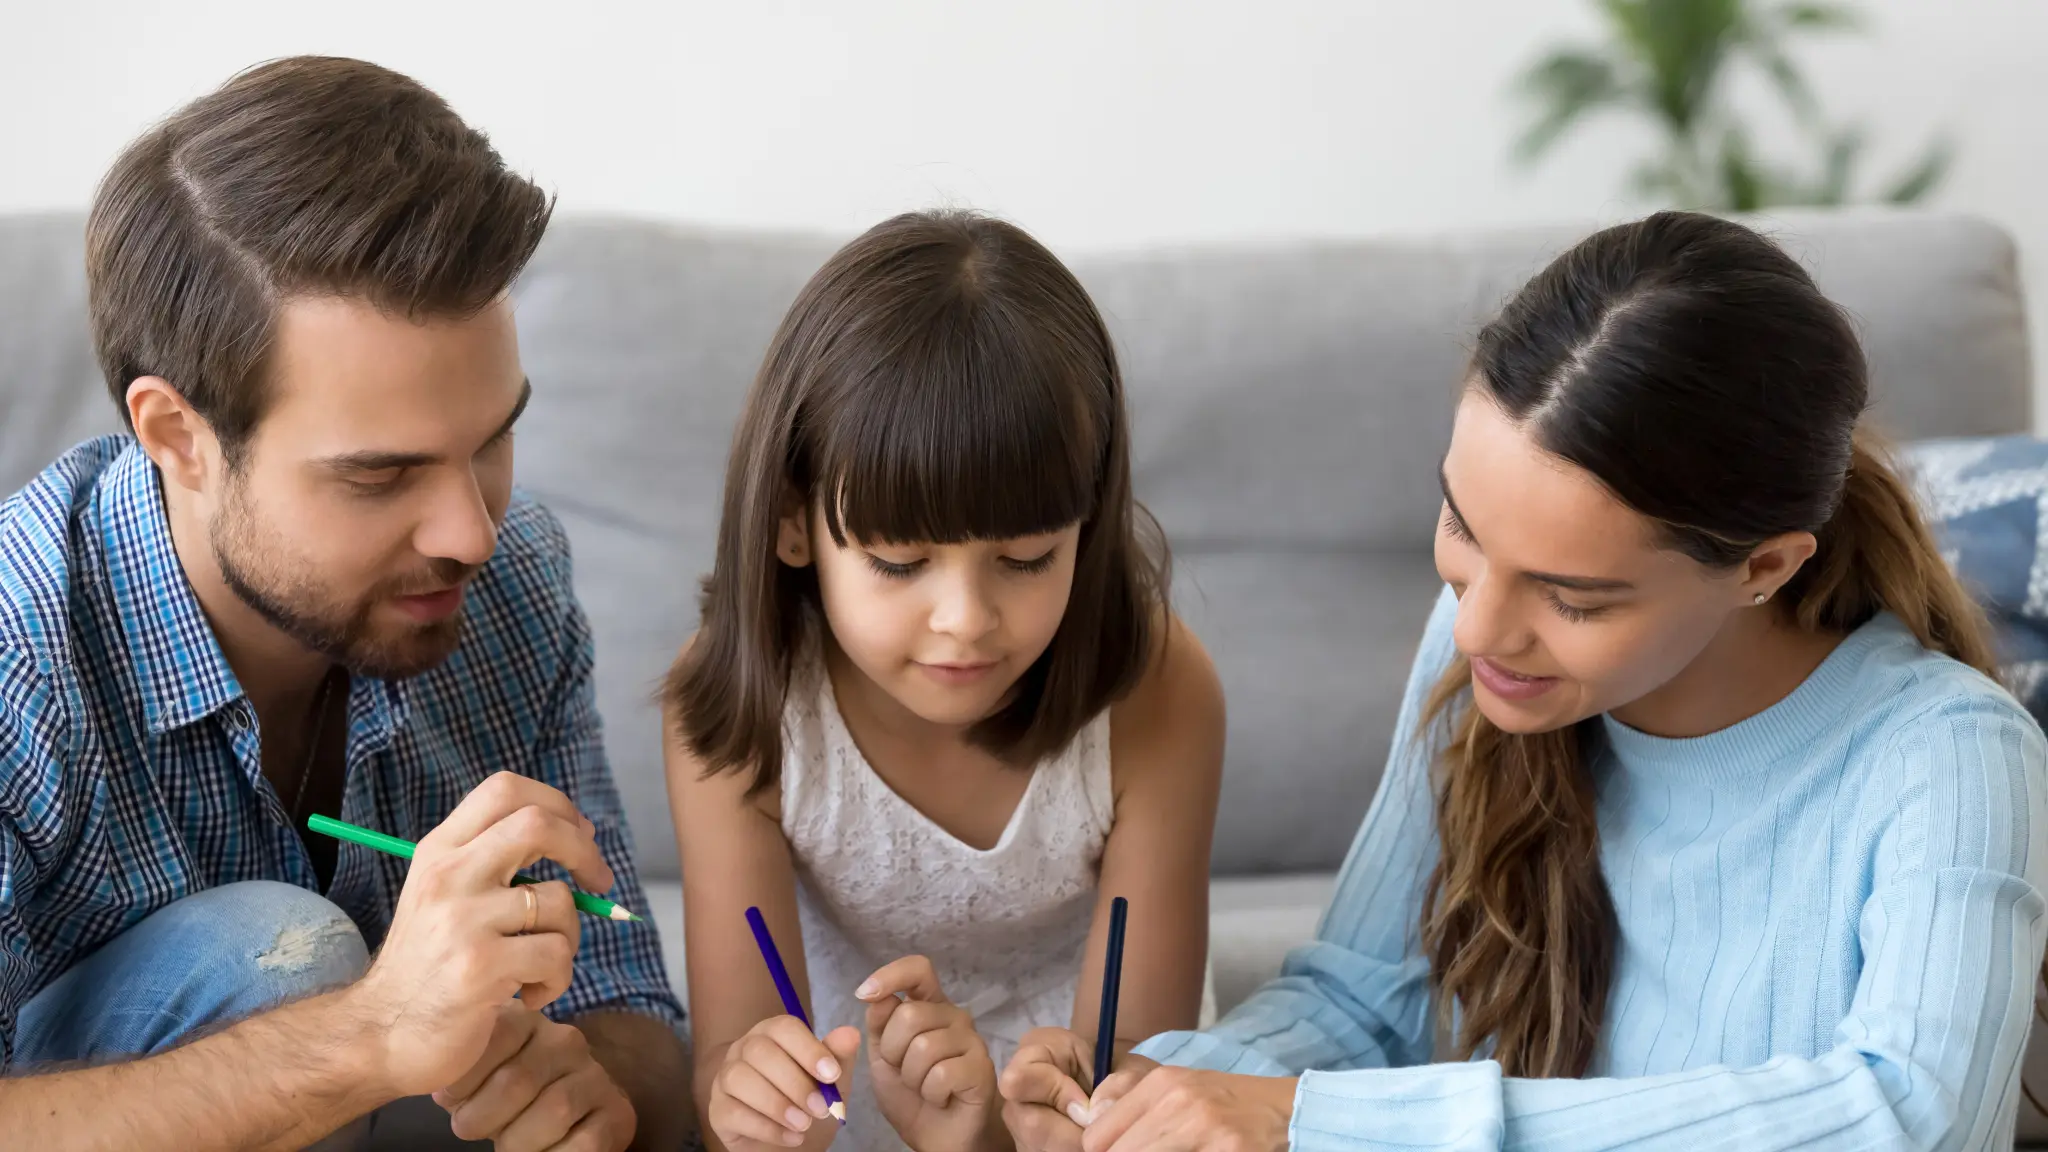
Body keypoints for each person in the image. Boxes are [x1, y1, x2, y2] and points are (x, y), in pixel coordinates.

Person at [1001, 210, 2048, 1151]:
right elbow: (1364, 1001)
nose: (1479, 622)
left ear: (1763, 567)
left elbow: (1909, 1116)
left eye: (1573, 596)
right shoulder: (1477, 641)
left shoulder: (1949, 754)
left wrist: (1314, 1120)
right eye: (1461, 524)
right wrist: (1167, 1088)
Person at [0, 57, 691, 1151]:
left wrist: (584, 1083)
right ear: (178, 438)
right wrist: (367, 1035)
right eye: (379, 475)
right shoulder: (21, 651)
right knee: (281, 948)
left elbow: (631, 1015)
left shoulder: (510, 583)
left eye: (493, 438)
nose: (470, 531)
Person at [665, 211, 1225, 1152]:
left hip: (1080, 1110)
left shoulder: (1156, 688)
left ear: (1086, 524)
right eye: (897, 562)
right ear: (795, 525)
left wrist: (1001, 1133)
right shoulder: (739, 702)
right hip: (850, 1098)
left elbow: (1139, 1061)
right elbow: (734, 1057)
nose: (965, 619)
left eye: (1027, 557)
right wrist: (752, 1101)